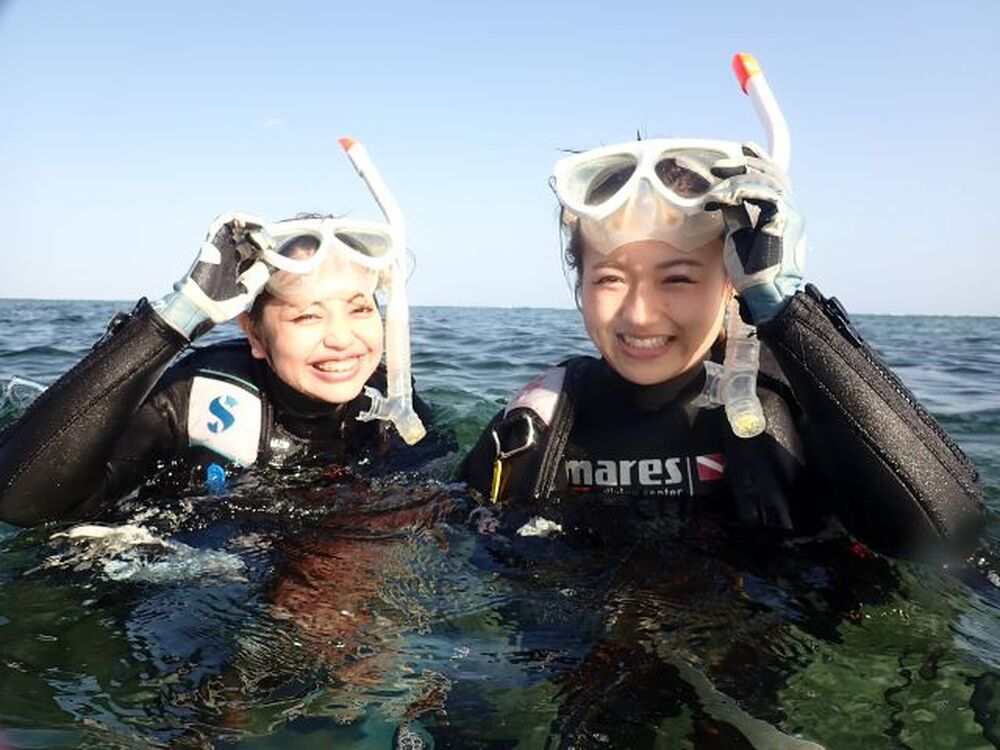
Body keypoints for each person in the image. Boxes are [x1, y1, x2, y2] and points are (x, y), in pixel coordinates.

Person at [459, 94, 984, 565]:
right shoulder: (544, 418)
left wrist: (789, 310)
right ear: (580, 282)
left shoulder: (795, 399)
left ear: (732, 282)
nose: (640, 314)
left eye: (678, 278)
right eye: (610, 278)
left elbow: (949, 537)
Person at [0, 144, 451, 527]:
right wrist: (177, 319)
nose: (342, 339)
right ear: (254, 334)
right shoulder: (192, 396)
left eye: (359, 308)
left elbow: (437, 509)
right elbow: (22, 503)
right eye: (307, 317)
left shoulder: (392, 401)